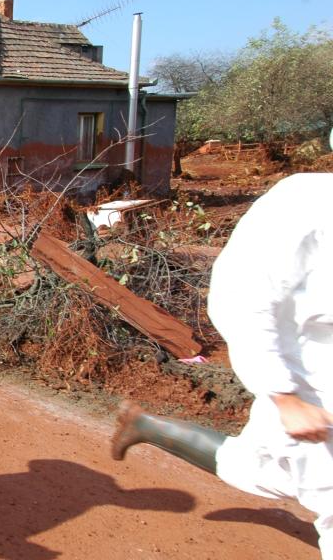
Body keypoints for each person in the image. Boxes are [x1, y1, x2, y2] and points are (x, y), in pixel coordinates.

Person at [112, 172, 333, 559]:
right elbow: (244, 296)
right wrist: (284, 396)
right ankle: (148, 426)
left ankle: (147, 425)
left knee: (263, 470)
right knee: (277, 472)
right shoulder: (308, 202)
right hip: (312, 388)